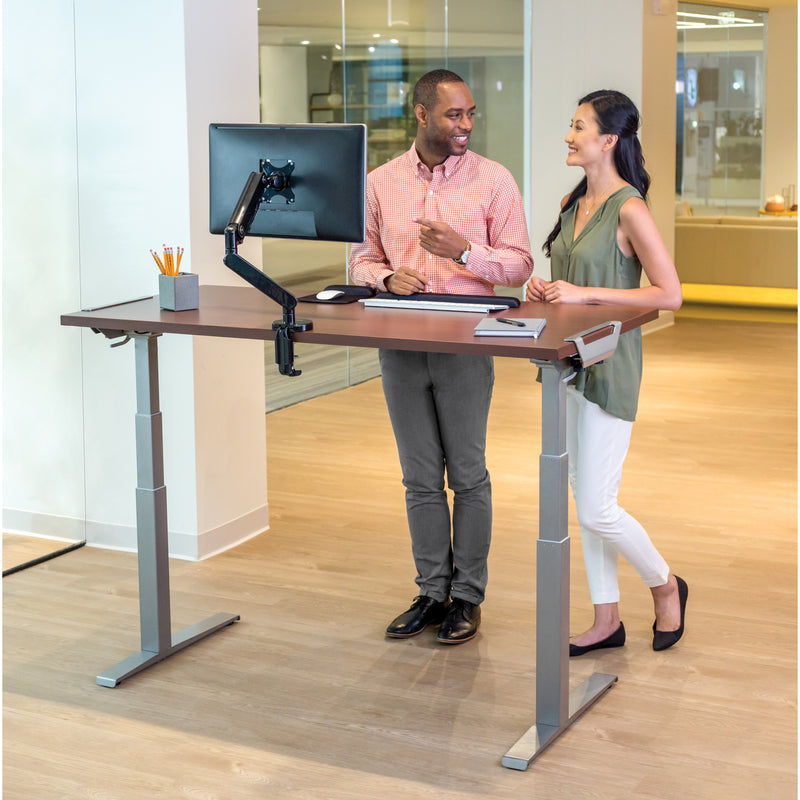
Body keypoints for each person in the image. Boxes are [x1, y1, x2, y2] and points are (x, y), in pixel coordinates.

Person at [349, 69, 534, 644]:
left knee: (468, 475)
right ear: (422, 114)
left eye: (472, 113)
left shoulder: (494, 181)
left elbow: (520, 266)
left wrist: (466, 252)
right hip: (400, 343)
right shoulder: (379, 183)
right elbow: (356, 263)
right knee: (420, 478)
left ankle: (468, 597)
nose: (467, 125)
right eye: (456, 115)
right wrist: (385, 277)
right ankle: (432, 591)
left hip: (465, 344)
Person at [526, 89, 688, 655]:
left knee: (598, 506)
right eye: (570, 125)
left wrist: (583, 291)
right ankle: (606, 619)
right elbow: (568, 290)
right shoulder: (576, 204)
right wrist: (546, 290)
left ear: (609, 140)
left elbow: (670, 294)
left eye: (579, 127)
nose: (569, 136)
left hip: (611, 369)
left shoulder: (629, 207)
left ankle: (666, 585)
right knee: (585, 500)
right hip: (569, 364)